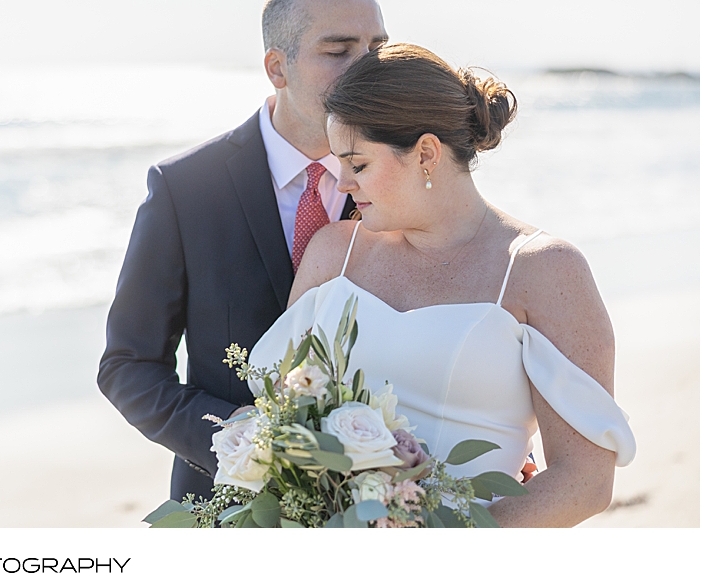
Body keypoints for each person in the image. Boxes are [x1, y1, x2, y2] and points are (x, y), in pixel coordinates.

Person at [248, 43, 636, 527]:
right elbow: (282, 414)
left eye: (359, 164)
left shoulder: (544, 270)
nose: (342, 182)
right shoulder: (333, 252)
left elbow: (584, 481)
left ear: (426, 154)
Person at [97, 0, 389, 503]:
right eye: (339, 50)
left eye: (377, 49)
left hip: (380, 501)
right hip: (226, 503)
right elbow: (129, 367)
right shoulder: (184, 188)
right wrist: (248, 445)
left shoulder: (404, 179)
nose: (366, 70)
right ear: (278, 67)